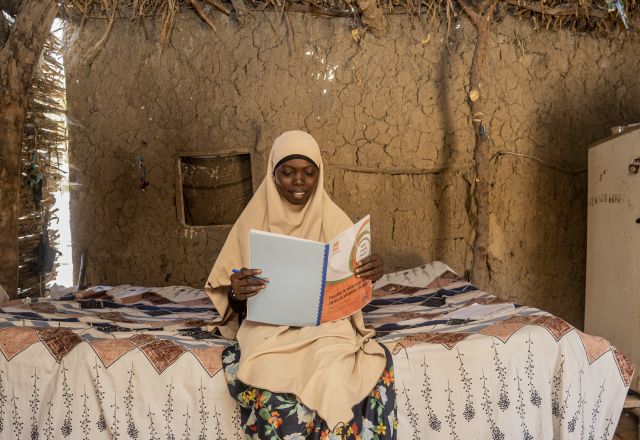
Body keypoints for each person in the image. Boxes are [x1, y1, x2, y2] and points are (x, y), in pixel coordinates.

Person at [205, 130, 397, 439]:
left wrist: (368, 273)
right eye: (288, 172)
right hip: (269, 328)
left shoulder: (333, 218)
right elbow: (231, 298)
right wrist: (235, 292)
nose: (299, 181)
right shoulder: (252, 219)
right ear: (273, 173)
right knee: (268, 374)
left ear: (319, 175)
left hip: (326, 327)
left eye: (309, 173)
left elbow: (351, 289)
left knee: (338, 371)